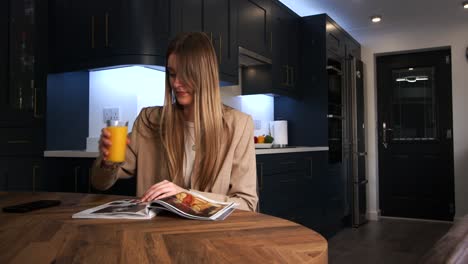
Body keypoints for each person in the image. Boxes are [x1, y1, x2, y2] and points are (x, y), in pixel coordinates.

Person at [91, 32, 258, 211]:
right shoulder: (149, 120)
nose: (176, 83)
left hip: (212, 235)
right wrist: (107, 161)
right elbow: (100, 184)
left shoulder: (239, 125)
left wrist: (185, 197)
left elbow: (247, 204)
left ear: (205, 76)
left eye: (185, 75)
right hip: (155, 233)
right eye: (172, 74)